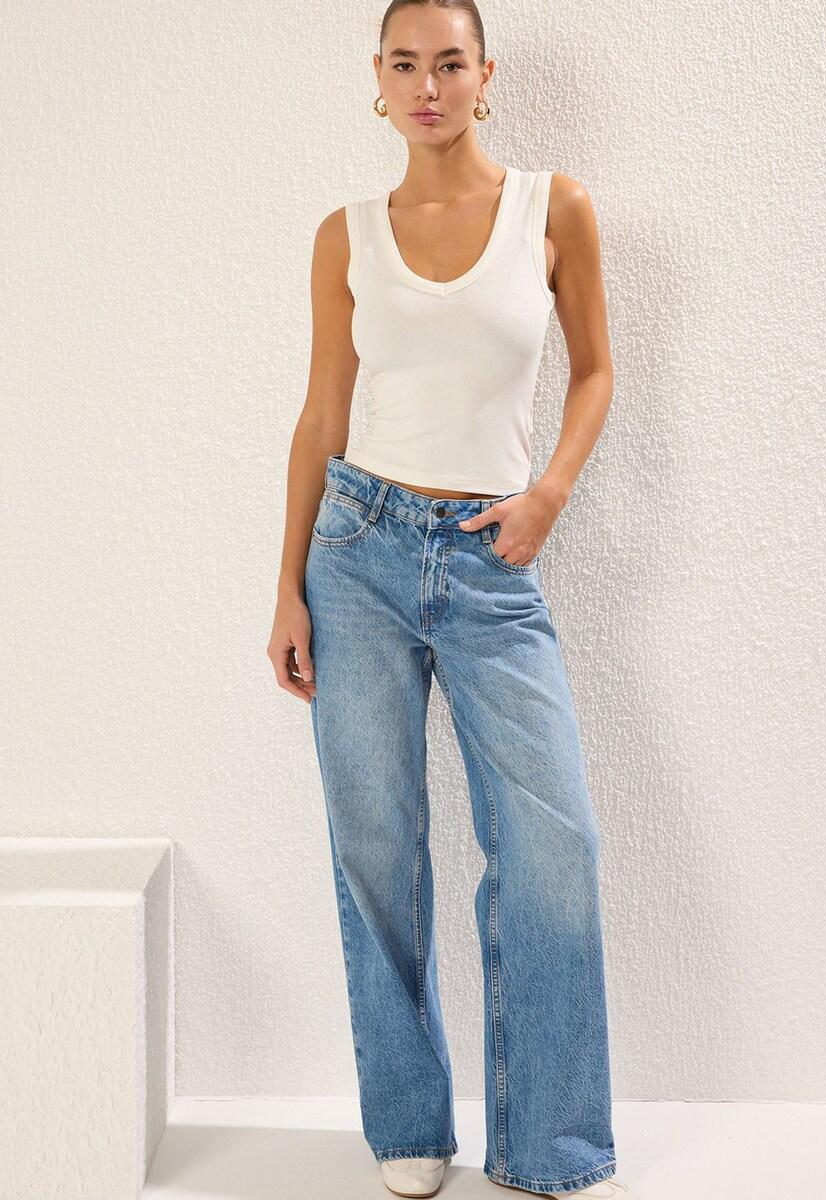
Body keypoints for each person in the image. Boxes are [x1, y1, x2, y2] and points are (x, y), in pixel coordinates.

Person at [268, 3, 640, 1197]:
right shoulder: (346, 235)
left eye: (450, 63)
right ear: (378, 82)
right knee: (376, 848)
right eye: (405, 64)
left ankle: (548, 1144)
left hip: (493, 563)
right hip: (357, 551)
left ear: (485, 76)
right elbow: (323, 417)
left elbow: (597, 369)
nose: (427, 86)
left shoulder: (553, 208)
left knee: (554, 843)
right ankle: (408, 1126)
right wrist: (287, 586)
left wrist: (549, 495)